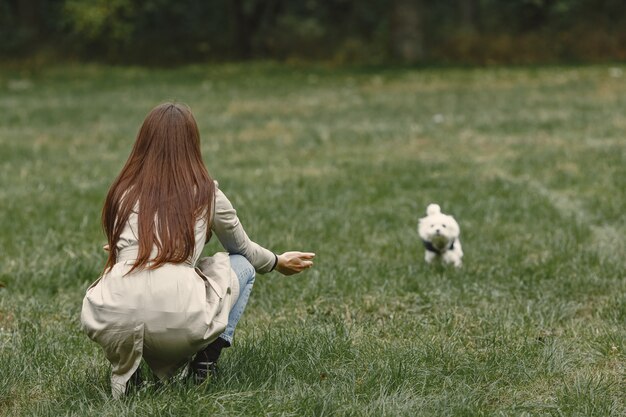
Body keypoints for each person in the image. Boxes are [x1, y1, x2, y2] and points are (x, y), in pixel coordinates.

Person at [80, 102, 315, 398]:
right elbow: (242, 249)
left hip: (111, 318)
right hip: (178, 319)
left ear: (143, 142)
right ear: (192, 143)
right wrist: (278, 261)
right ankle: (204, 365)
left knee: (135, 284)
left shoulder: (122, 191)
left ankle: (130, 374)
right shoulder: (205, 192)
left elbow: (119, 246)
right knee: (240, 264)